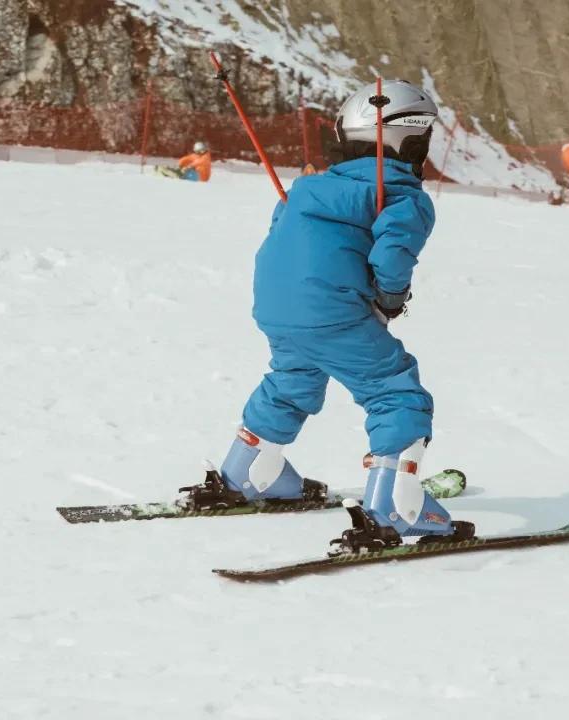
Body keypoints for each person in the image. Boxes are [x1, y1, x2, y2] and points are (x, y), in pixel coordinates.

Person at [214, 80, 474, 550]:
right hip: (332, 312)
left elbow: (283, 233)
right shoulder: (401, 196)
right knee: (394, 390)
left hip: (277, 306)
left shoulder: (306, 188)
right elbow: (392, 255)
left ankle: (248, 470)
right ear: (409, 140)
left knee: (293, 379)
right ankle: (395, 507)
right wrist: (390, 298)